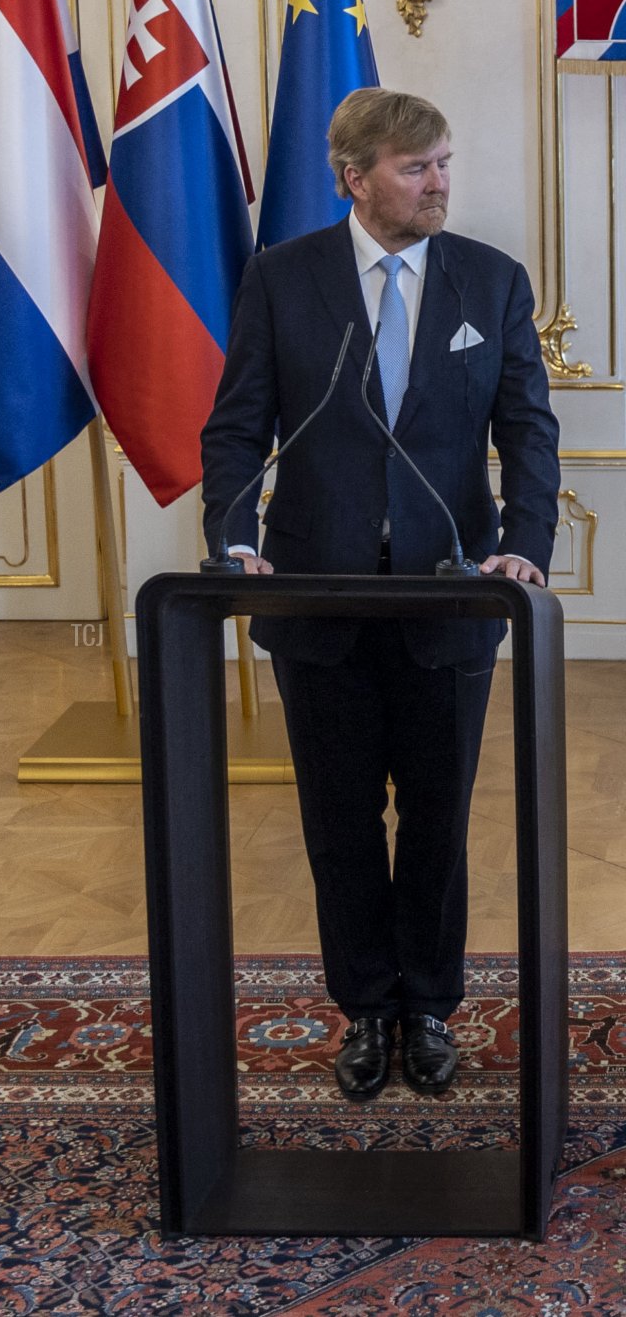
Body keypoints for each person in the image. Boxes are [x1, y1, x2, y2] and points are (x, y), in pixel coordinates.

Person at [201, 88, 560, 1100]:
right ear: (354, 178)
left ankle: (431, 1008)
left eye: (445, 162)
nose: (439, 183)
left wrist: (524, 547)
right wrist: (232, 537)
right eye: (417, 168)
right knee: (341, 819)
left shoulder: (490, 282)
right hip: (319, 595)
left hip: (453, 602)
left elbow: (527, 430)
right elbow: (238, 428)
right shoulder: (283, 279)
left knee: (439, 818)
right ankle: (365, 1007)